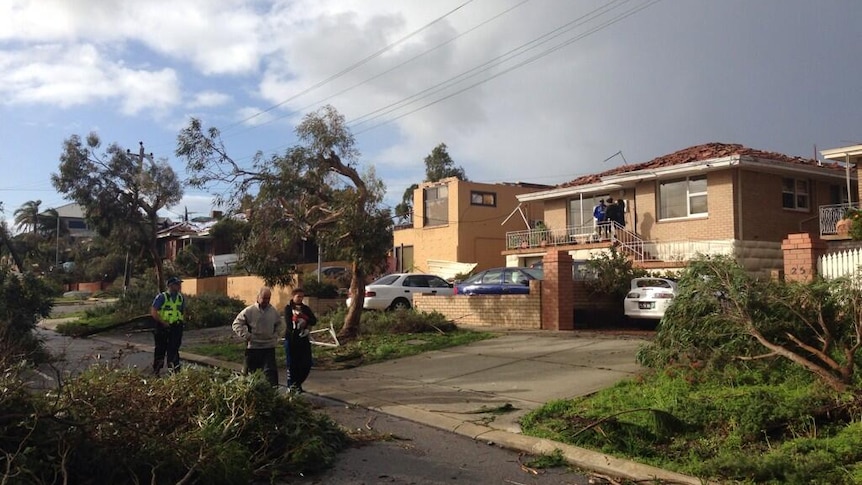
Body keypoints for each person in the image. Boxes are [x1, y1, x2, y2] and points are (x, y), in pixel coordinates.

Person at [232, 287, 285, 387]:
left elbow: (280, 324)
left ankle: (272, 394)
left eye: (268, 298)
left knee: (270, 374)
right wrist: (247, 335)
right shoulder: (249, 311)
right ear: (258, 297)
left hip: (269, 347)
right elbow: (236, 324)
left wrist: (276, 335)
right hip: (253, 347)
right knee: (249, 375)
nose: (266, 301)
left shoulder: (273, 311)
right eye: (264, 298)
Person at [150, 276, 186, 375]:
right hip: (163, 326)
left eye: (179, 284)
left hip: (176, 327)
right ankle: (156, 370)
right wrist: (163, 322)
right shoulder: (162, 297)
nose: (179, 286)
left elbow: (182, 311)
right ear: (170, 286)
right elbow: (154, 311)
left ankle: (174, 371)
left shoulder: (180, 297)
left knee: (174, 349)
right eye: (177, 284)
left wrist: (182, 323)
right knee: (160, 349)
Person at [284, 288, 317, 393]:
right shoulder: (288, 308)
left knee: (306, 363)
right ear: (293, 296)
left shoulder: (305, 308)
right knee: (292, 364)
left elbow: (313, 320)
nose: (300, 298)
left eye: (302, 296)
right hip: (292, 339)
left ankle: (298, 383)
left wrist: (304, 319)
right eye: (298, 296)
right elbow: (289, 324)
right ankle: (292, 386)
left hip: (304, 339)